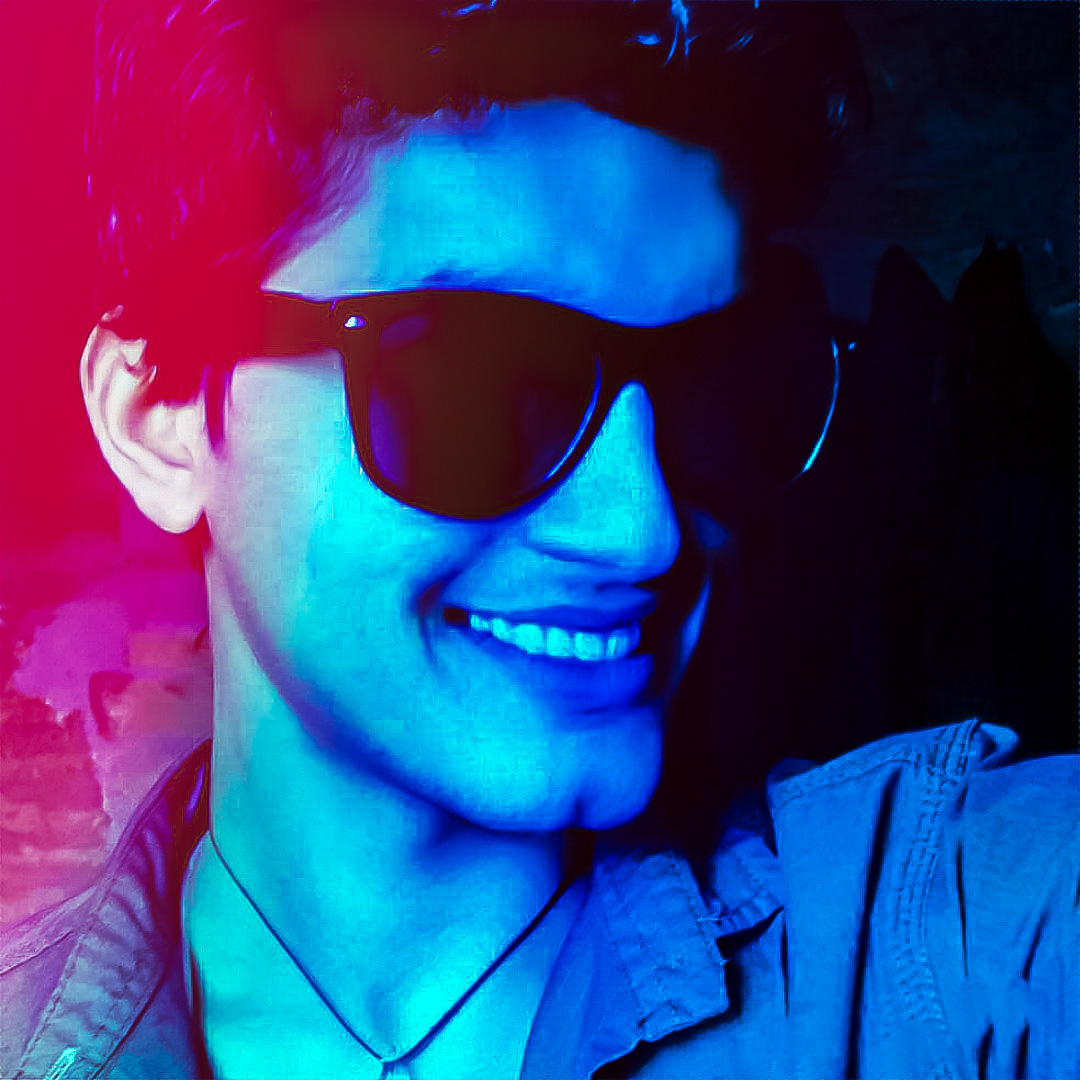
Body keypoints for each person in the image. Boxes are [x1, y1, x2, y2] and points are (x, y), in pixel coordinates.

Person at [1, 2, 1074, 1078]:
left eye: (718, 379)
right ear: (158, 420)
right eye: (475, 382)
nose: (644, 532)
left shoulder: (957, 939)